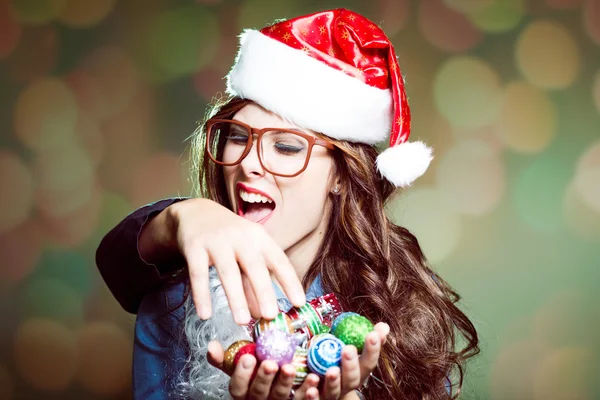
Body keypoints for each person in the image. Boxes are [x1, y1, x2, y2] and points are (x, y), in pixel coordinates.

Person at [96, 8, 479, 400]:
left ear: (340, 177)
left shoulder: (399, 307)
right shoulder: (174, 305)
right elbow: (117, 261)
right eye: (238, 137)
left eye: (285, 146)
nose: (247, 162)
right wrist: (177, 217)